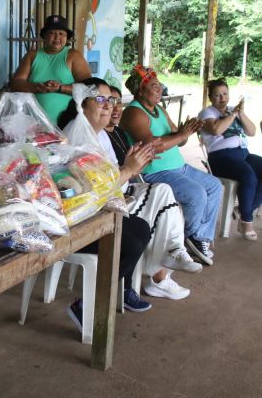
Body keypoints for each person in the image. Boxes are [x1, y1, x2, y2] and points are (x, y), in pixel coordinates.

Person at [57, 78, 192, 315]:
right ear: (82, 104)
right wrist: (129, 170)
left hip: (107, 201)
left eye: (111, 100)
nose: (108, 106)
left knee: (156, 203)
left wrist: (132, 166)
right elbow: (89, 191)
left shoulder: (99, 134)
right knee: (138, 229)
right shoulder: (77, 136)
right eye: (100, 100)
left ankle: (171, 255)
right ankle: (151, 276)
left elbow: (110, 180)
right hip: (85, 214)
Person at [119, 65, 222, 265]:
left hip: (178, 167)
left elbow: (179, 140)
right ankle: (187, 238)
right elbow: (152, 146)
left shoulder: (159, 110)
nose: (160, 89)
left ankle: (198, 236)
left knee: (215, 186)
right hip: (156, 172)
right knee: (196, 194)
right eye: (154, 86)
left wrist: (185, 132)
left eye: (160, 85)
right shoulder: (134, 113)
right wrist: (180, 135)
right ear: (141, 90)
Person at [104, 84, 203, 279]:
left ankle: (176, 250)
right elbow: (105, 181)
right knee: (164, 210)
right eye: (104, 101)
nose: (112, 107)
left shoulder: (116, 132)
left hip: (127, 187)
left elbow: (131, 166)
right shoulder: (99, 131)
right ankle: (160, 277)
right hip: (114, 198)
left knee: (165, 194)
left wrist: (135, 165)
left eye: (116, 102)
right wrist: (132, 168)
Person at [199, 79, 262, 240]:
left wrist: (240, 113)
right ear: (210, 97)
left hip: (243, 153)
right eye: (217, 95)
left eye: (225, 94)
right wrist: (233, 114)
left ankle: (244, 209)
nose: (222, 98)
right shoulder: (207, 113)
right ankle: (246, 222)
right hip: (220, 158)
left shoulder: (232, 111)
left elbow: (252, 131)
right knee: (248, 175)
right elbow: (216, 130)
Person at [8, 15, 91, 125]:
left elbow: (88, 89)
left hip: (67, 123)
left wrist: (60, 88)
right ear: (44, 36)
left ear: (66, 38)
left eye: (61, 34)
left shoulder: (73, 56)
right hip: (34, 123)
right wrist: (39, 87)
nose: (57, 38)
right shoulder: (32, 56)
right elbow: (15, 84)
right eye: (52, 33)